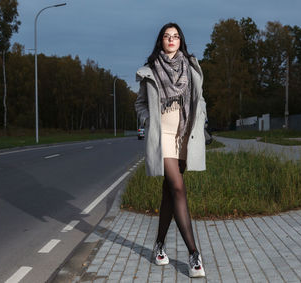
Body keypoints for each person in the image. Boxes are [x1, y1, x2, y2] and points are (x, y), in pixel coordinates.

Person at [135, 22, 207, 278]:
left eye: (175, 36)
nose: (171, 39)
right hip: (162, 136)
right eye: (167, 36)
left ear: (180, 40)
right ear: (161, 41)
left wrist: (202, 117)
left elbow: (201, 98)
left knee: (169, 194)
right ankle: (193, 254)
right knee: (177, 187)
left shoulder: (191, 67)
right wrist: (148, 121)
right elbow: (140, 104)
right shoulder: (151, 70)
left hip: (184, 136)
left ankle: (158, 246)